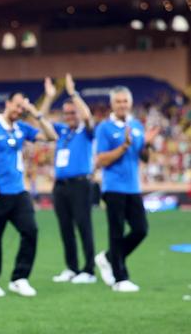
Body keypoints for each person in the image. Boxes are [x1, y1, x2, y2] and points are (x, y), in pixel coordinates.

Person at [0, 91, 57, 297]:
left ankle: (19, 278)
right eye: (18, 105)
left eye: (23, 108)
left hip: (19, 191)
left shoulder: (22, 128)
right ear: (8, 103)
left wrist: (35, 112)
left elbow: (51, 136)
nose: (19, 110)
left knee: (31, 231)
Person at [94, 86, 159, 292]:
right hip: (113, 187)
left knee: (141, 230)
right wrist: (124, 146)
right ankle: (120, 278)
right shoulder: (104, 128)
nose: (122, 105)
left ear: (130, 103)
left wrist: (147, 144)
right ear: (112, 104)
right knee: (117, 232)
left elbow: (145, 158)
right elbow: (101, 160)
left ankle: (109, 258)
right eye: (118, 101)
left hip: (133, 187)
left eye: (125, 101)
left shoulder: (137, 125)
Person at [44, 75, 97, 284]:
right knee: (65, 228)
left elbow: (88, 117)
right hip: (60, 186)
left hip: (80, 184)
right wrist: (48, 98)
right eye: (66, 113)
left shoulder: (86, 132)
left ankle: (89, 270)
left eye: (72, 112)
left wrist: (73, 94)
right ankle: (72, 268)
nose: (69, 116)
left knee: (84, 226)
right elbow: (41, 120)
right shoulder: (63, 131)